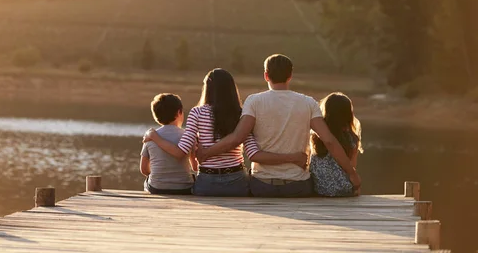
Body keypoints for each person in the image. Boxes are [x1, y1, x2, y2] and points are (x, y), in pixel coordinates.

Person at [198, 54, 362, 197]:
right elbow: (330, 141)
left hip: (261, 186)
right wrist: (351, 173)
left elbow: (237, 138)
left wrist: (206, 152)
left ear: (266, 75)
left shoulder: (254, 102)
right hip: (297, 186)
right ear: (290, 76)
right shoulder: (308, 103)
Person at [144, 68, 306, 197]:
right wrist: (292, 158)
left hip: (206, 184)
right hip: (237, 183)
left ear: (207, 89)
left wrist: (154, 136)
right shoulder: (241, 114)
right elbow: (253, 152)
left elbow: (181, 151)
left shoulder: (197, 113)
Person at [140, 93, 197, 195]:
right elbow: (195, 167)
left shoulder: (150, 136)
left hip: (157, 188)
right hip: (184, 188)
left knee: (147, 181)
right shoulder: (188, 136)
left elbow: (144, 169)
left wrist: (159, 177)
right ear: (179, 112)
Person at [310, 92, 363, 197]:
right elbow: (351, 166)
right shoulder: (352, 138)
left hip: (318, 188)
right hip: (343, 188)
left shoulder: (316, 136)